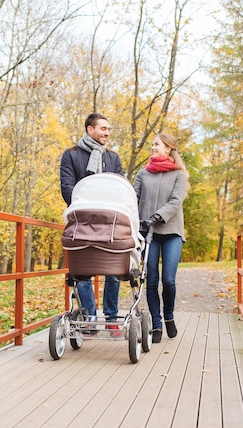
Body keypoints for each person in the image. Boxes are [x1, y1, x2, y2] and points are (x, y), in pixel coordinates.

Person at [60, 113, 122, 334]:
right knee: (82, 272)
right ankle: (89, 318)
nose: (107, 133)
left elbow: (118, 189)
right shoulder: (71, 155)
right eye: (103, 128)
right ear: (90, 130)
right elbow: (67, 188)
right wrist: (84, 208)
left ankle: (112, 317)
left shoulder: (113, 158)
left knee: (113, 272)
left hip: (109, 223)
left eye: (108, 129)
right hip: (82, 221)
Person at [133, 133, 189, 343]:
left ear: (168, 148)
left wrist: (156, 216)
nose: (153, 147)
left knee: (168, 280)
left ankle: (169, 316)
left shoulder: (179, 175)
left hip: (171, 231)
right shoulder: (143, 173)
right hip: (148, 233)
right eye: (153, 144)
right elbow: (133, 197)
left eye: (156, 144)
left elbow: (176, 201)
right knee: (151, 280)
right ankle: (156, 325)